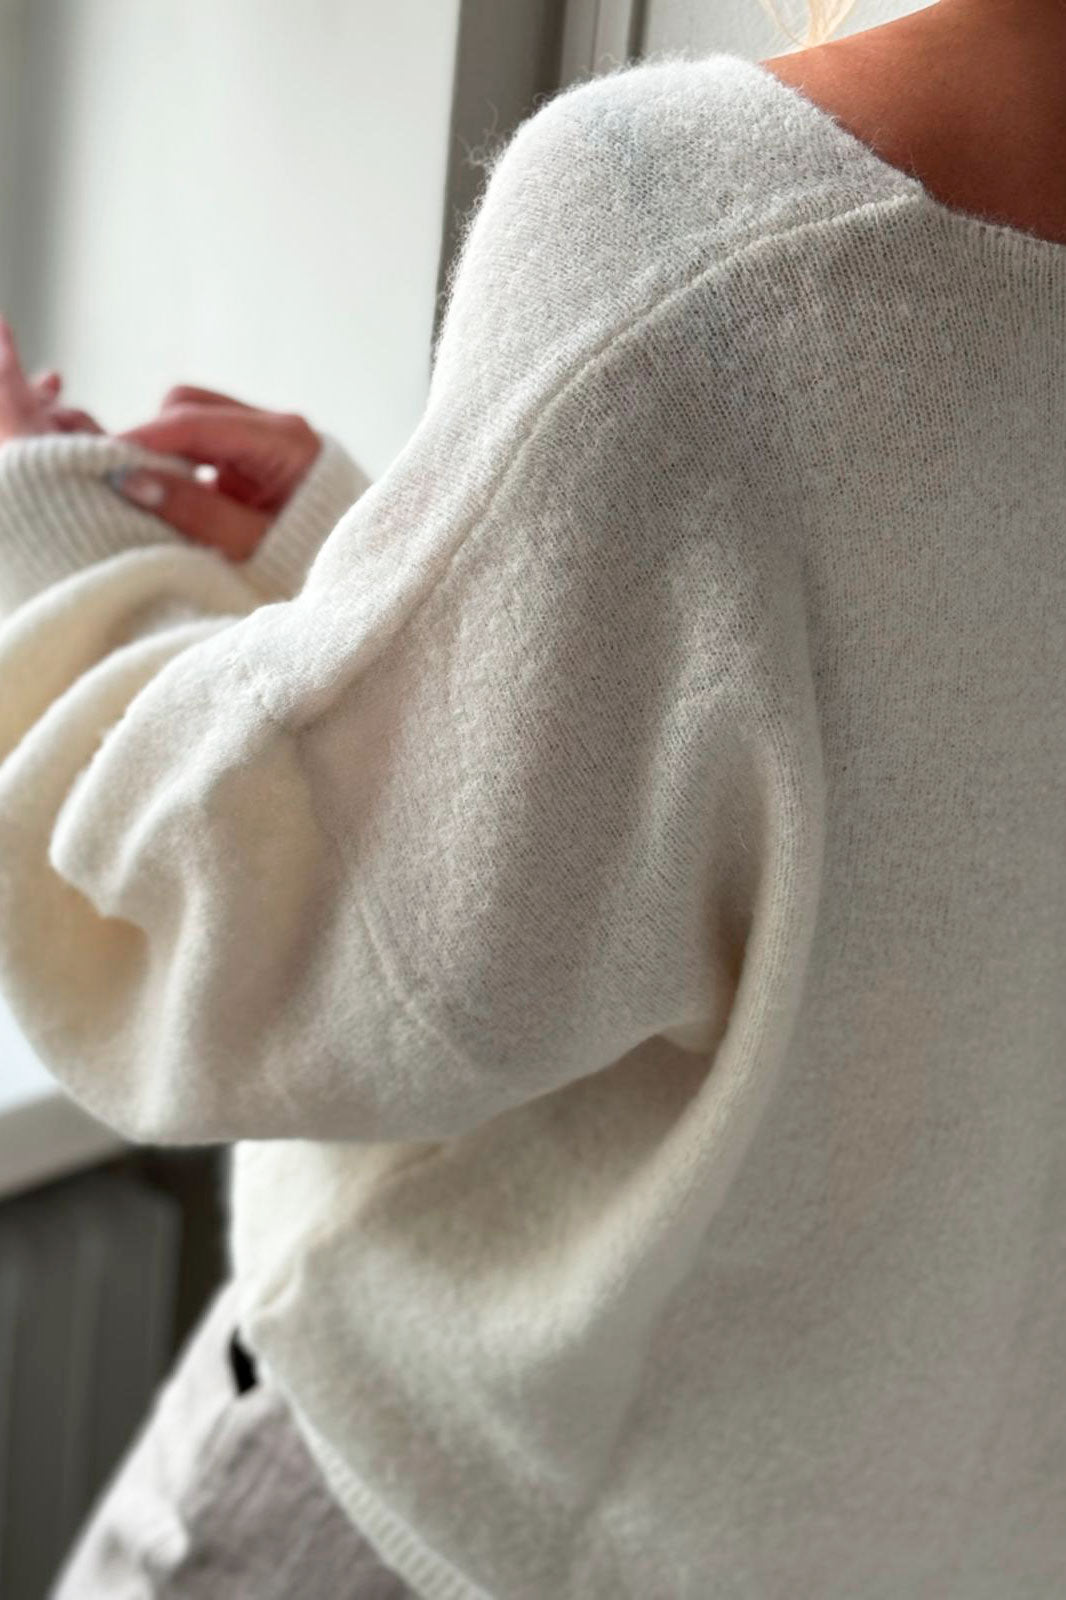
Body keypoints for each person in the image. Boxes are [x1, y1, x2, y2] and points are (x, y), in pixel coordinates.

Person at [1, 0, 1063, 1592]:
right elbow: (912, 821)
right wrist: (417, 598)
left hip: (472, 1513)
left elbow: (251, 953)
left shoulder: (703, 233)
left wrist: (55, 545)